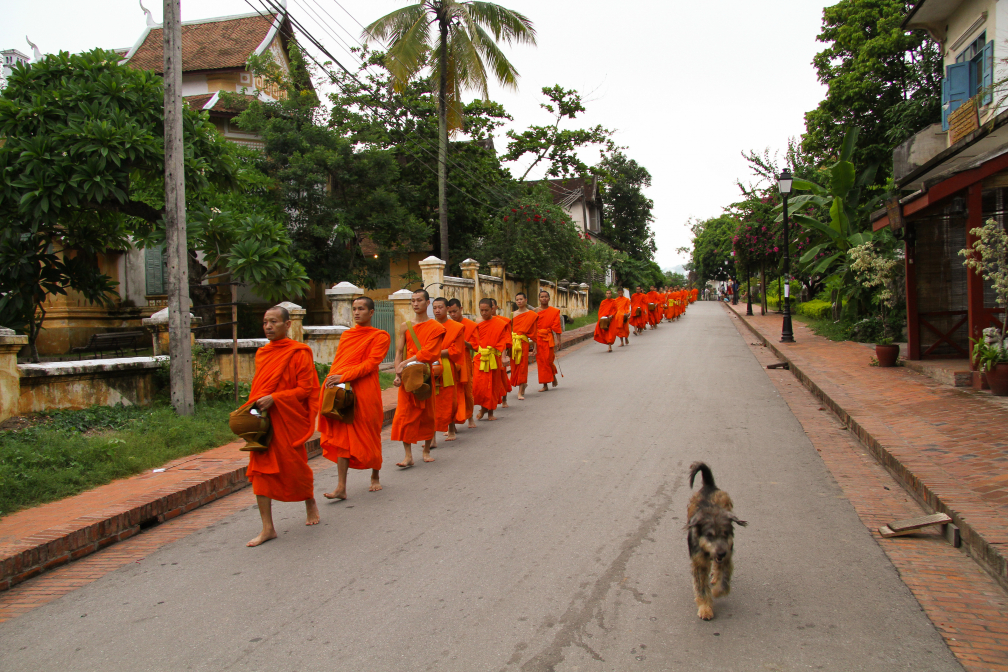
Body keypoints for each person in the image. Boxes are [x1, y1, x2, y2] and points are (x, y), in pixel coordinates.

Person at [245, 305, 321, 547]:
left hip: (288, 418)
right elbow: (259, 387)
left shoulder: (299, 352)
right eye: (265, 322)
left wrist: (276, 398)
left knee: (296, 466)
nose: (268, 326)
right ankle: (267, 527)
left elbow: (305, 389)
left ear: (287, 325)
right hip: (264, 420)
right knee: (260, 471)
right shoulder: (262, 354)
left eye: (273, 322)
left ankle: (309, 500)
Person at [319, 296, 390, 501]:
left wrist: (344, 376)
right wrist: (332, 381)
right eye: (354, 309)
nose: (357, 312)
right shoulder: (347, 335)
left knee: (371, 432)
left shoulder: (380, 336)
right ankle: (341, 487)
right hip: (343, 391)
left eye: (361, 309)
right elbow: (339, 362)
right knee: (343, 438)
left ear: (371, 312)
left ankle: (375, 475)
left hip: (365, 391)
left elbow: (371, 364)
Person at [391, 289, 446, 467]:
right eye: (413, 300)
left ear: (427, 303)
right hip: (408, 375)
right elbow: (399, 351)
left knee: (427, 414)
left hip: (425, 374)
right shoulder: (405, 326)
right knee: (404, 415)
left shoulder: (436, 327)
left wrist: (406, 362)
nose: (415, 304)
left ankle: (426, 450)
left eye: (419, 300)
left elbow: (431, 353)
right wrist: (398, 373)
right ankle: (408, 456)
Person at [432, 297, 465, 443]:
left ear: (447, 308)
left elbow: (456, 350)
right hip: (430, 366)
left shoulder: (456, 327)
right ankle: (431, 437)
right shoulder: (429, 326)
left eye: (440, 307)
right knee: (431, 402)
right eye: (434, 308)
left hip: (447, 367)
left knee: (449, 400)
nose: (437, 310)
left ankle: (451, 428)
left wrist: (434, 353)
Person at [473, 298, 510, 420]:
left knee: (492, 386)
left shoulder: (499, 323)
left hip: (494, 357)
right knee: (480, 386)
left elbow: (502, 341)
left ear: (492, 309)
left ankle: (490, 413)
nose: (484, 313)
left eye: (486, 310)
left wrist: (503, 357)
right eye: (481, 310)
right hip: (480, 358)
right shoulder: (477, 322)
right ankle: (483, 408)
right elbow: (474, 340)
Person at [447, 298, 477, 430]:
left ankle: (470, 416)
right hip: (449, 360)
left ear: (461, 309)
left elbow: (475, 346)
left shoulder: (470, 325)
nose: (452, 314)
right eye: (450, 312)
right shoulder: (445, 325)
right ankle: (451, 423)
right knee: (451, 392)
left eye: (455, 311)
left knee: (467, 391)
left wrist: (462, 341)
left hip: (464, 359)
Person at [509, 292, 538, 400]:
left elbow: (534, 332)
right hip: (513, 343)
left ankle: (520, 391)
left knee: (522, 366)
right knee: (514, 366)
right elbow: (509, 330)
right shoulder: (513, 314)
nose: (519, 301)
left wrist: (535, 347)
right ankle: (523, 384)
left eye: (521, 299)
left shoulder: (531, 315)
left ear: (526, 300)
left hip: (523, 343)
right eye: (517, 300)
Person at [535, 290, 563, 392]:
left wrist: (559, 340)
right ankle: (545, 384)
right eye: (542, 297)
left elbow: (557, 327)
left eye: (546, 297)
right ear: (539, 299)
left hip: (549, 338)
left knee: (549, 360)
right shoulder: (535, 311)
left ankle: (553, 375)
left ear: (549, 298)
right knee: (542, 362)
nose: (544, 298)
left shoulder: (554, 311)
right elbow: (532, 327)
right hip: (538, 339)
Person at [490, 298, 513, 408]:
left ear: (496, 307)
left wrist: (506, 353)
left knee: (502, 377)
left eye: (492, 306)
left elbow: (506, 338)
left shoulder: (503, 321)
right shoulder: (481, 322)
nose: (490, 308)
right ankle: (489, 402)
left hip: (499, 352)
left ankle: (504, 399)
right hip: (487, 354)